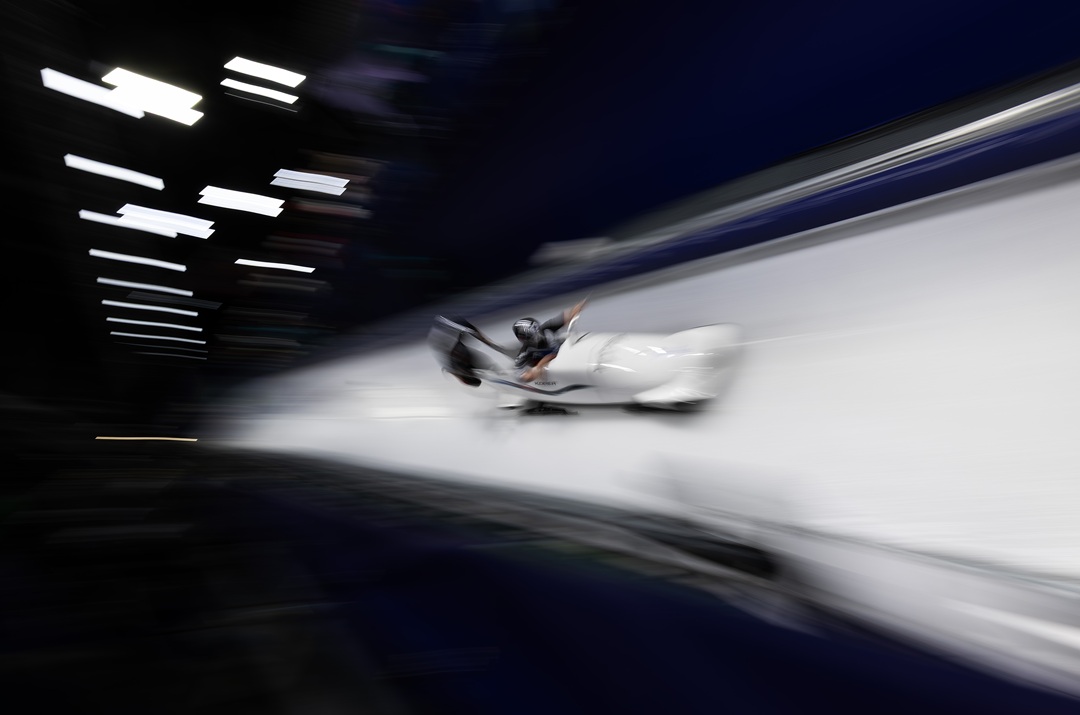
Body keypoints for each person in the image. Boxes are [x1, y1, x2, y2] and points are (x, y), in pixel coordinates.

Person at [513, 299, 586, 381]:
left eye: (538, 331)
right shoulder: (524, 353)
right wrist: (534, 371)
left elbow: (566, 316)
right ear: (524, 339)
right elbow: (519, 376)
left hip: (565, 354)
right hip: (553, 367)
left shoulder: (547, 328)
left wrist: (577, 308)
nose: (538, 336)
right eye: (533, 336)